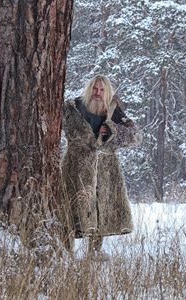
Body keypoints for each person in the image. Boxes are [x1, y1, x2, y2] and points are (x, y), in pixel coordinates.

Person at [60, 74, 142, 260]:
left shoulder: (114, 111)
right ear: (89, 89)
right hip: (76, 165)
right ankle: (66, 250)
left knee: (100, 204)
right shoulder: (73, 107)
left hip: (105, 167)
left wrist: (114, 130)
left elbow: (136, 136)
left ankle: (95, 250)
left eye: (102, 90)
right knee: (69, 205)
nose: (98, 93)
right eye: (95, 89)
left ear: (107, 92)